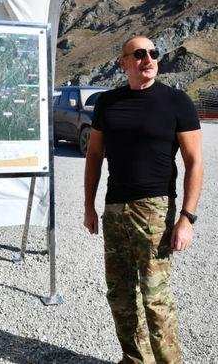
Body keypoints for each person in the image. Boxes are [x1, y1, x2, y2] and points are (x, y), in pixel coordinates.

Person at [83, 36, 203, 364]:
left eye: (153, 53)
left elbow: (194, 162)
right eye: (139, 54)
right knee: (120, 295)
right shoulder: (108, 102)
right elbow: (94, 155)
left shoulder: (177, 102)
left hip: (155, 210)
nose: (148, 59)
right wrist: (89, 206)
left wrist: (187, 218)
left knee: (155, 299)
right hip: (115, 209)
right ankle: (135, 360)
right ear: (123, 63)